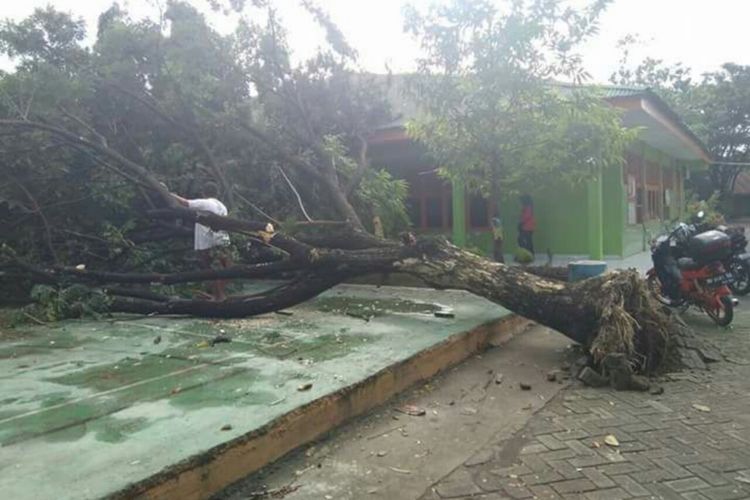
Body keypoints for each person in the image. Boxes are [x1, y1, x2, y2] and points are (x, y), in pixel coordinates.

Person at [170, 183, 232, 301]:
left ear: (204, 193)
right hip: (223, 239)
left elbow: (185, 203)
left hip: (206, 241)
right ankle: (219, 294)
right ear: (217, 193)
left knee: (209, 269)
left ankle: (218, 296)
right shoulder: (222, 206)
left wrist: (170, 194)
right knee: (228, 268)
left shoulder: (206, 203)